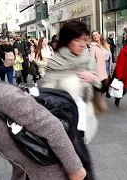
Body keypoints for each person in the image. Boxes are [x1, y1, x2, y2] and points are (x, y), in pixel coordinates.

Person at [40, 20, 102, 179]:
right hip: (64, 123)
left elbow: (99, 84)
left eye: (84, 39)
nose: (82, 44)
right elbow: (46, 93)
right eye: (77, 40)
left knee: (75, 165)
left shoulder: (87, 59)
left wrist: (92, 79)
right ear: (67, 41)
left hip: (83, 119)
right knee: (82, 165)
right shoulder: (55, 62)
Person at [90, 31, 113, 97]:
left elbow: (109, 55)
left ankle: (98, 97)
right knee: (104, 83)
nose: (95, 36)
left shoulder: (105, 44)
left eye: (96, 34)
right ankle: (98, 97)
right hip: (100, 67)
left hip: (107, 66)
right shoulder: (93, 46)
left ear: (99, 35)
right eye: (93, 36)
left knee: (106, 84)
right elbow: (91, 60)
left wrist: (111, 65)